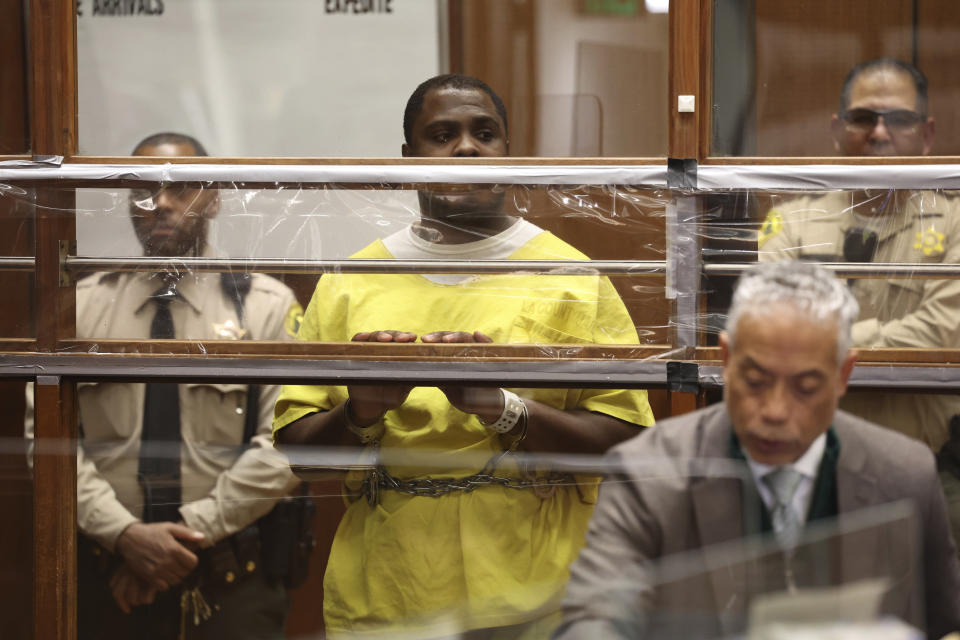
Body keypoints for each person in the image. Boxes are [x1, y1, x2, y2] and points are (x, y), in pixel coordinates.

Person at [273, 74, 655, 638]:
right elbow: (298, 452)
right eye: (442, 134)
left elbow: (626, 440)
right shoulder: (351, 280)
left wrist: (503, 408)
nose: (467, 148)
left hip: (539, 598)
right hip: (387, 595)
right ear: (408, 158)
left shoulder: (570, 276)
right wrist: (363, 411)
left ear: (509, 152)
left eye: (485, 133)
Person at [555, 261, 960, 640]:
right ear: (726, 359)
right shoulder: (648, 472)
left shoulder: (905, 475)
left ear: (843, 375)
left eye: (806, 388)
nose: (775, 412)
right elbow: (593, 618)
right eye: (755, 381)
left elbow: (946, 624)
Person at [26, 133, 307, 640]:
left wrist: (182, 535)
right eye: (143, 190)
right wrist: (126, 536)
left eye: (181, 188)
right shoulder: (81, 309)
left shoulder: (265, 305)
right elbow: (45, 441)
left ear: (215, 197)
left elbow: (286, 443)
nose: (160, 203)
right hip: (104, 571)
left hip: (231, 577)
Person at [758, 58, 960, 545]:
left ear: (927, 135)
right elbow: (771, 330)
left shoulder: (954, 223)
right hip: (807, 474)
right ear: (837, 128)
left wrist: (826, 349)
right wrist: (863, 350)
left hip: (926, 472)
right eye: (864, 118)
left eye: (900, 119)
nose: (880, 133)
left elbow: (943, 335)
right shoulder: (791, 222)